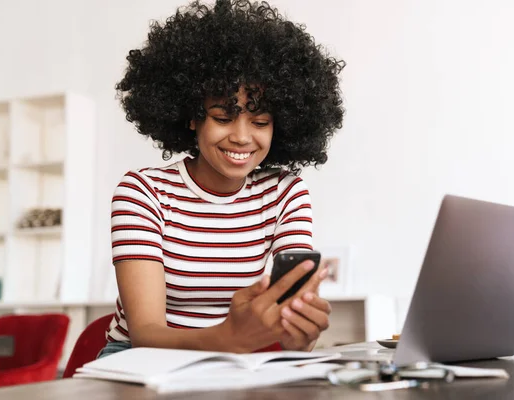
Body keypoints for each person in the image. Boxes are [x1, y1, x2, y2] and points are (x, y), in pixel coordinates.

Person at [99, 0, 345, 358]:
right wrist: (229, 338)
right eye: (223, 117)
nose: (243, 137)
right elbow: (145, 334)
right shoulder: (143, 192)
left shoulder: (283, 192)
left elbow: (293, 324)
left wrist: (299, 334)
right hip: (139, 359)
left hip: (231, 360)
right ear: (192, 117)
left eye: (260, 122)